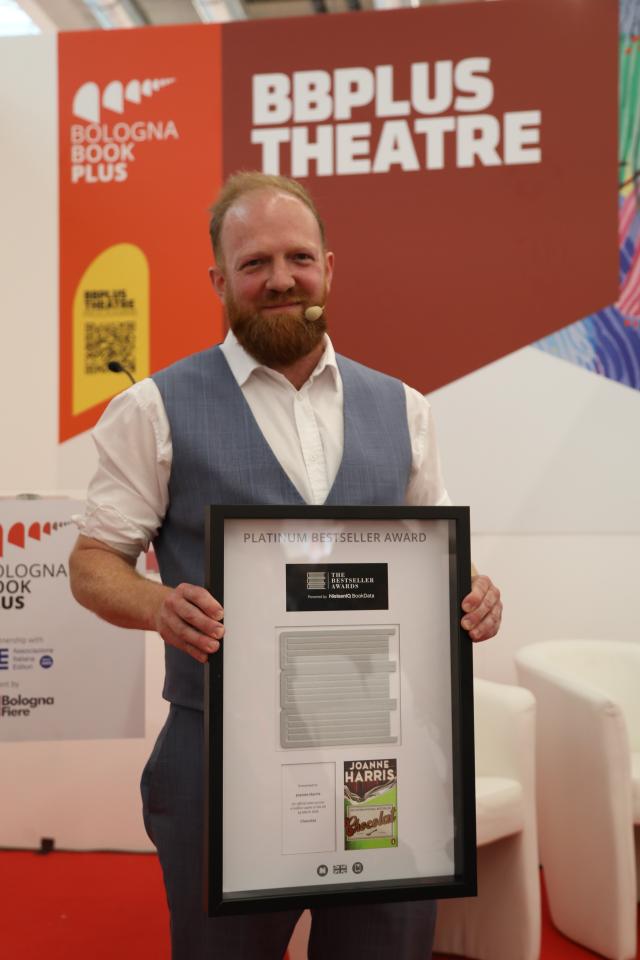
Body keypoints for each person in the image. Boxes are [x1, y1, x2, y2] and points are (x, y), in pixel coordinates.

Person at [69, 171, 502, 960]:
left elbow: (442, 559)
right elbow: (93, 561)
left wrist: (473, 591)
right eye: (254, 263)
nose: (280, 279)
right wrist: (158, 605)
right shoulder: (153, 409)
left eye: (298, 258)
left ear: (328, 269)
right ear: (218, 281)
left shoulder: (406, 408)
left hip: (378, 756)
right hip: (218, 758)